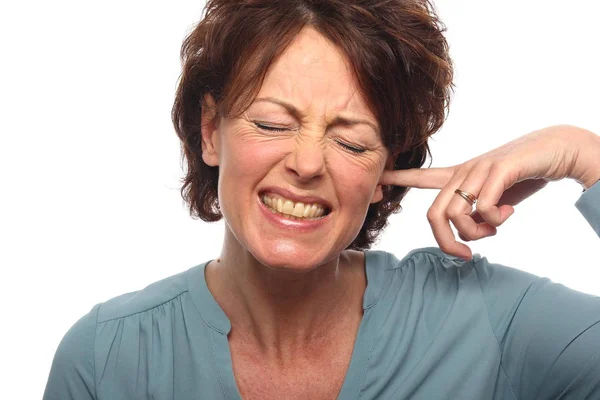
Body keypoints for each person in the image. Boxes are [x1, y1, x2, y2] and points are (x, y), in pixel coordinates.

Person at [43, 0, 600, 399]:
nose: (308, 164)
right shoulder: (106, 357)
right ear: (211, 131)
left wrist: (584, 155)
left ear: (388, 169)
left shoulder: (487, 320)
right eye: (271, 123)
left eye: (350, 141)